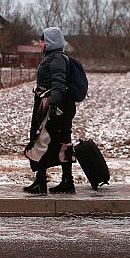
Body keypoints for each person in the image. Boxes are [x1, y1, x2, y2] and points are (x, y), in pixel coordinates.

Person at [23, 26, 76, 195]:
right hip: (57, 106)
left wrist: (53, 106)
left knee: (43, 141)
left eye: (43, 41)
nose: (40, 44)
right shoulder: (54, 57)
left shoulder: (57, 59)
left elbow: (59, 83)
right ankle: (64, 181)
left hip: (55, 107)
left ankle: (42, 183)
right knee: (59, 142)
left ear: (50, 42)